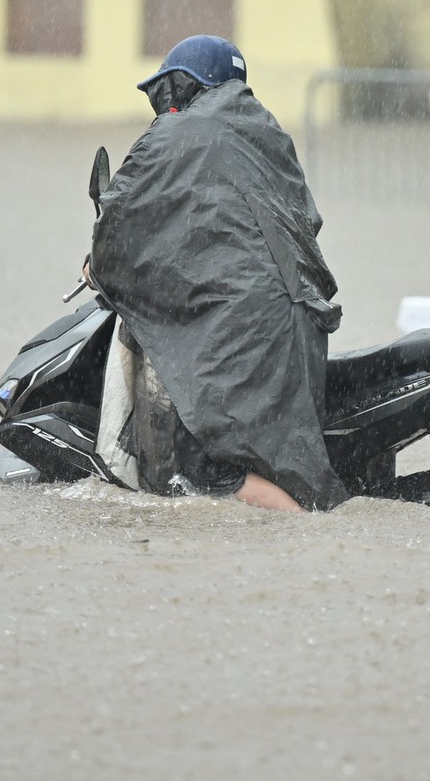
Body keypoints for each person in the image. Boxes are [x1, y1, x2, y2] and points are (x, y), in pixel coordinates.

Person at [88, 35, 350, 512]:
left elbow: (124, 214)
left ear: (185, 86)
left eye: (166, 94)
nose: (163, 107)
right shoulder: (265, 133)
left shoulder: (176, 135)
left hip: (242, 330)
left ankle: (314, 538)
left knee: (201, 466)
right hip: (299, 323)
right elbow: (263, 227)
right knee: (273, 457)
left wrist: (97, 264)